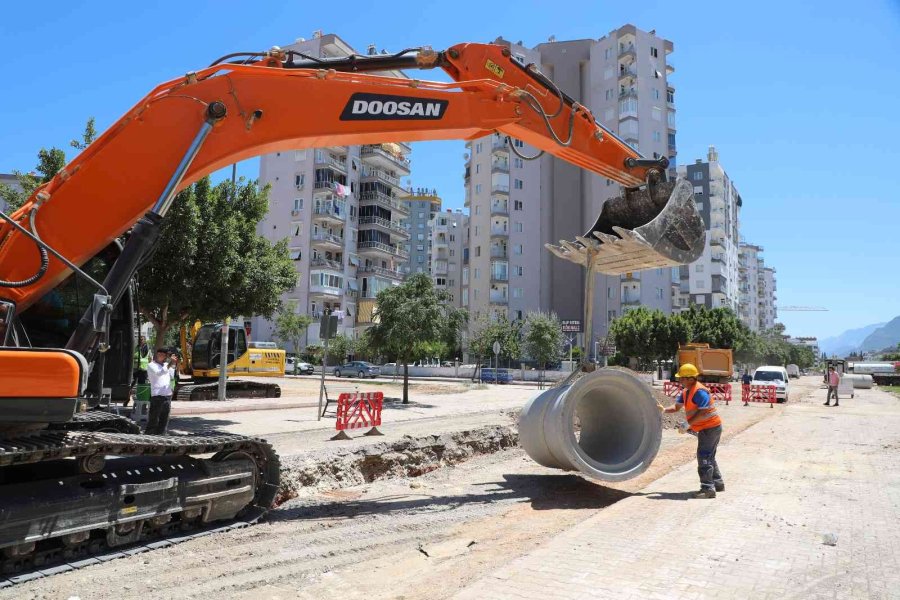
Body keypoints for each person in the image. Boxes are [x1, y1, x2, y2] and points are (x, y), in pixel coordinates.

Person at [661, 363, 724, 498]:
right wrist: (664, 410)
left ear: (691, 379)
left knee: (704, 456)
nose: (680, 381)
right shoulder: (686, 392)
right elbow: (677, 407)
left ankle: (708, 489)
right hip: (706, 428)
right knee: (709, 455)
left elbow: (704, 411)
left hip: (710, 428)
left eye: (682, 378)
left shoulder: (699, 391)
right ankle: (718, 483)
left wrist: (688, 424)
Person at [146, 348, 177, 435]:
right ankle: (149, 436)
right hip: (157, 396)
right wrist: (170, 363)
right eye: (160, 354)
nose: (161, 356)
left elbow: (171, 376)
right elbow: (159, 373)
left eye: (164, 355)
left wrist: (173, 363)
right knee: (154, 419)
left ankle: (162, 435)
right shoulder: (151, 365)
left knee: (164, 419)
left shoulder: (166, 365)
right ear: (157, 354)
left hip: (167, 395)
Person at [129, 335, 151, 407]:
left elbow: (150, 358)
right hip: (136, 369)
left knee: (142, 385)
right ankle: (128, 398)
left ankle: (141, 400)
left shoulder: (147, 348)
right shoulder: (136, 348)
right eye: (140, 339)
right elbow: (133, 357)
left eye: (142, 339)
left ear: (144, 340)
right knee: (132, 384)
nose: (141, 340)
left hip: (143, 369)